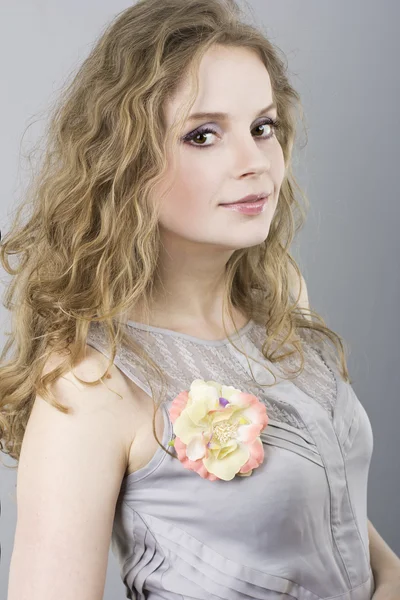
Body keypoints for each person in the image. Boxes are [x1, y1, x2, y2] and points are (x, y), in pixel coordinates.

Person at [1, 1, 399, 599]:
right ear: (125, 163)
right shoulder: (91, 383)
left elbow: (322, 504)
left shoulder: (282, 304)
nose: (254, 163)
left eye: (262, 128)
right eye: (203, 135)